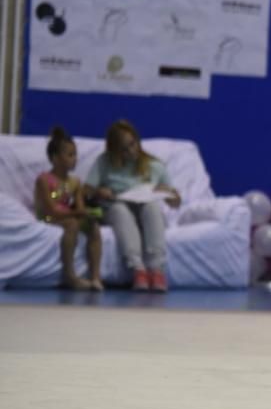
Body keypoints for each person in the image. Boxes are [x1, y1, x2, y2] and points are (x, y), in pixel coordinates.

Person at [85, 120, 181, 292]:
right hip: (117, 206)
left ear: (137, 140)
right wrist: (100, 191)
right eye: (124, 149)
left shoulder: (155, 166)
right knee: (119, 210)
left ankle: (156, 269)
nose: (131, 151)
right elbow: (86, 191)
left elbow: (176, 203)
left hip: (144, 207)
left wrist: (167, 192)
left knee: (152, 206)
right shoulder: (104, 162)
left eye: (132, 144)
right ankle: (138, 269)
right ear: (114, 151)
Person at [35, 127, 103, 291]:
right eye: (70, 155)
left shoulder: (75, 182)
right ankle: (70, 275)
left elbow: (79, 207)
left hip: (67, 216)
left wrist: (87, 214)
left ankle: (95, 276)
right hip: (49, 217)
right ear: (55, 158)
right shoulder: (44, 180)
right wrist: (76, 213)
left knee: (93, 226)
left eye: (75, 155)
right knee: (72, 224)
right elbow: (50, 210)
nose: (75, 159)